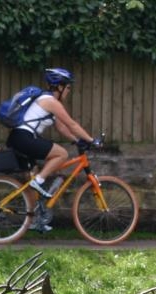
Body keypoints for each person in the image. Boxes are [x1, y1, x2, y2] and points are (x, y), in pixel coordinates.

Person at [6, 67, 98, 232]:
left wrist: (78, 141)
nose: (69, 91)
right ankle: (39, 180)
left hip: (19, 138)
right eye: (68, 87)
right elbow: (72, 124)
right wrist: (91, 140)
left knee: (32, 179)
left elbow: (62, 128)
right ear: (59, 86)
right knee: (61, 154)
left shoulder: (46, 101)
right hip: (24, 138)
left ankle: (33, 219)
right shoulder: (51, 102)